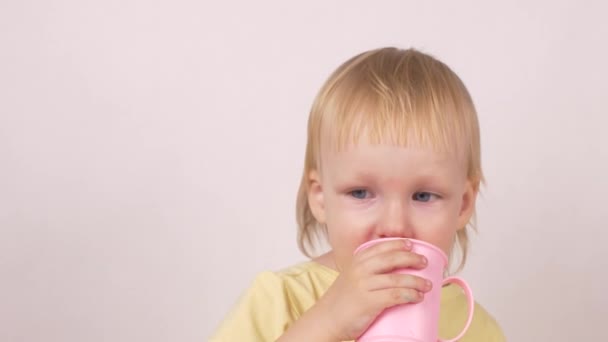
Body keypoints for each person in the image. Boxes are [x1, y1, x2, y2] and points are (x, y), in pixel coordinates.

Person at [210, 47, 506, 341]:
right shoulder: (280, 299)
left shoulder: (475, 327)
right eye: (361, 193)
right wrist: (328, 321)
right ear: (321, 197)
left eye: (423, 196)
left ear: (463, 204)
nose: (394, 226)